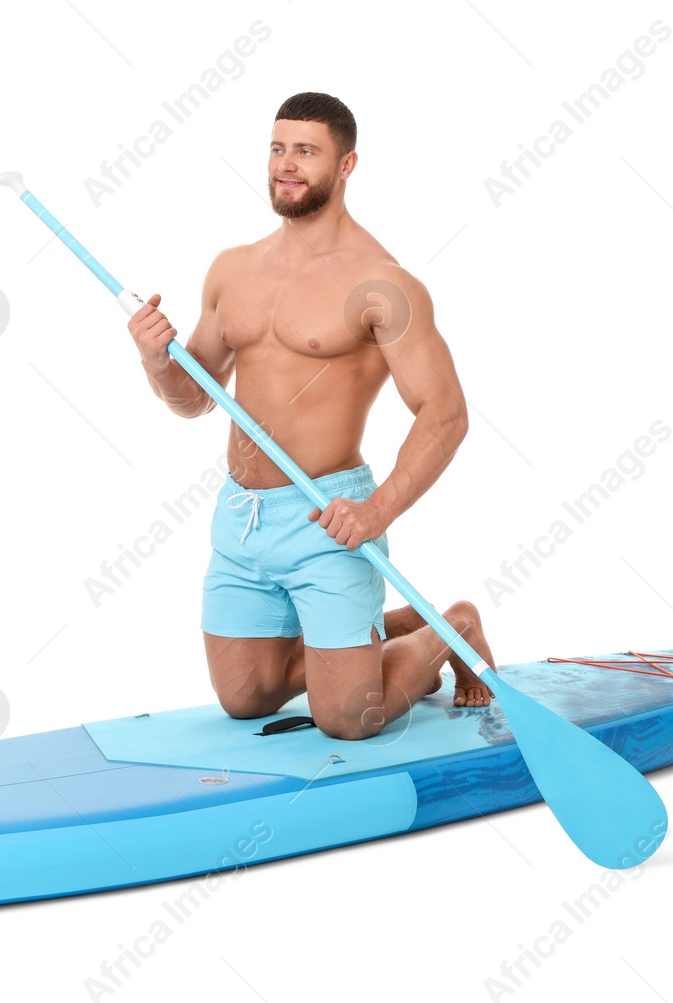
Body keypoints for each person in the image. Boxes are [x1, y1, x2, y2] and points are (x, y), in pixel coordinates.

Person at [125, 91, 498, 741]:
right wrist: (158, 360)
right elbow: (195, 398)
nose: (286, 164)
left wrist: (375, 512)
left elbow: (446, 413)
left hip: (330, 517)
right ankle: (394, 628)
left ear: (347, 165)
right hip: (242, 517)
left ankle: (455, 625)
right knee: (247, 696)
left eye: (305, 151)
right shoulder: (232, 269)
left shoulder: (383, 283)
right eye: (277, 148)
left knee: (350, 718)